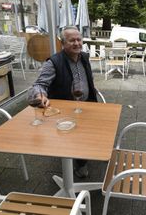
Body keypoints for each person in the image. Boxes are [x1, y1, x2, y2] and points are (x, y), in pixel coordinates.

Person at [28, 25, 97, 178]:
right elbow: (39, 84)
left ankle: (84, 155)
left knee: (95, 132)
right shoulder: (53, 62)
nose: (77, 43)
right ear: (63, 43)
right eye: (72, 40)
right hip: (65, 109)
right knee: (76, 137)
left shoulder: (84, 57)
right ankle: (80, 164)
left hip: (87, 104)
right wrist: (39, 96)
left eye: (79, 39)